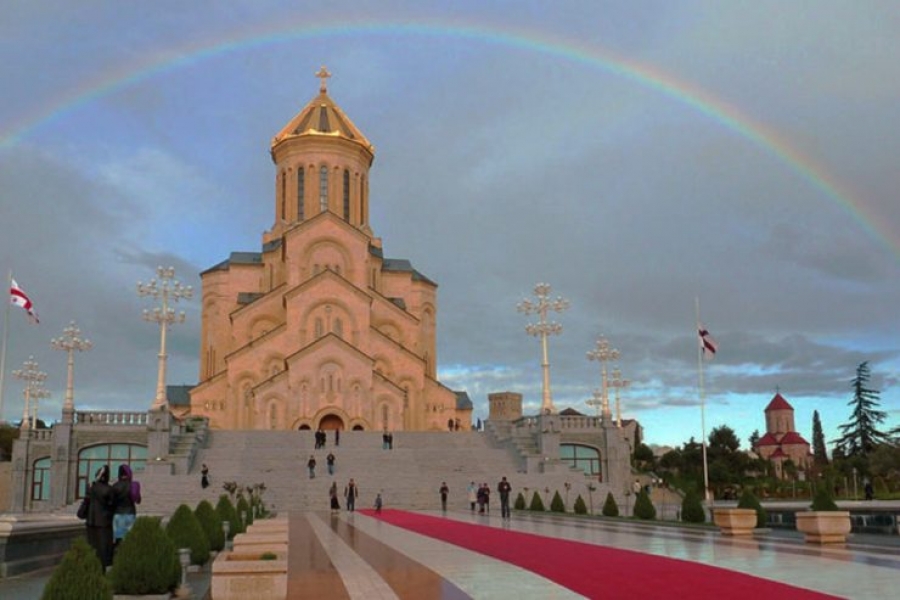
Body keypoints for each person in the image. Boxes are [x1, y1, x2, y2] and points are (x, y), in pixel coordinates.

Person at [85, 465, 114, 568]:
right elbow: (112, 505)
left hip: (91, 520)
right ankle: (102, 568)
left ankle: (92, 567)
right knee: (103, 548)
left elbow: (87, 501)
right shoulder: (109, 489)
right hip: (104, 522)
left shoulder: (91, 487)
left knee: (92, 545)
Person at [112, 464, 141, 548]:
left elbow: (111, 501)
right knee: (130, 539)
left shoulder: (115, 486)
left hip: (118, 514)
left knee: (119, 538)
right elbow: (138, 500)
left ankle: (119, 556)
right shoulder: (133, 485)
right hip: (130, 513)